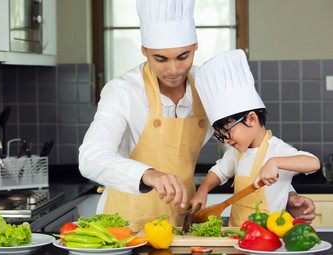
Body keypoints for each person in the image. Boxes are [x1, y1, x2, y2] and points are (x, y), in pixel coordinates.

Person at [78, 0, 316, 232]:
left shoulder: (207, 87)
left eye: (183, 56)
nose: (173, 70)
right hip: (126, 224)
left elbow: (244, 153)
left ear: (195, 46)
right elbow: (90, 157)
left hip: (183, 221)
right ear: (144, 51)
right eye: (160, 58)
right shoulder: (122, 91)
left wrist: (285, 195)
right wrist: (148, 174)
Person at [191, 49, 321, 227]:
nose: (227, 140)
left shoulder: (275, 150)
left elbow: (313, 163)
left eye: (227, 132)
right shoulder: (237, 153)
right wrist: (203, 190)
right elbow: (219, 171)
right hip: (237, 237)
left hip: (269, 238)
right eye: (221, 136)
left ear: (251, 118)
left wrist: (274, 163)